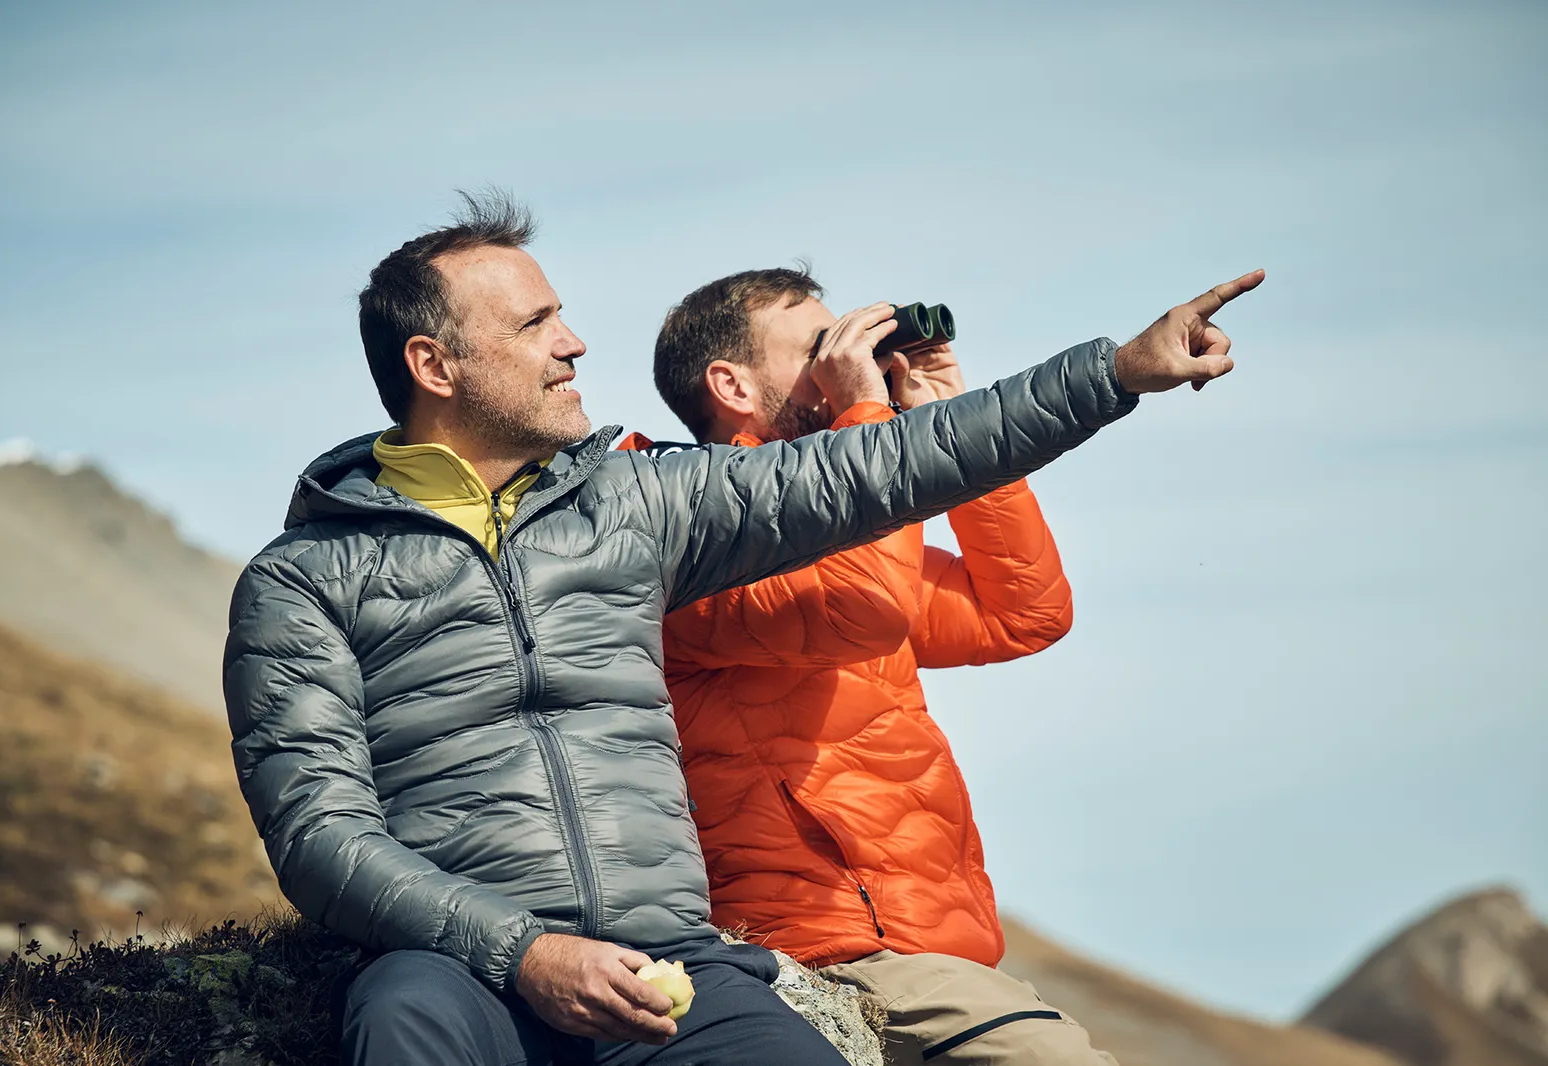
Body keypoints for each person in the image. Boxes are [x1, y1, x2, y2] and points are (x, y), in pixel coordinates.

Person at [222, 189, 1262, 1066]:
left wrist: (1115, 372)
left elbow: (896, 472)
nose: (575, 342)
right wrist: (526, 953)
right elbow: (319, 835)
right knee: (402, 1023)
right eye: (536, 324)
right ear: (435, 366)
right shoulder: (301, 579)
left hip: (668, 957)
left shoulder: (632, 504)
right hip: (457, 970)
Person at [637, 267, 1122, 1064]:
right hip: (833, 947)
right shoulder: (690, 542)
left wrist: (943, 423)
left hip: (933, 948)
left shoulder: (854, 547)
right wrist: (873, 423)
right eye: (818, 350)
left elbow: (1022, 614)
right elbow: (858, 609)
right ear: (731, 384)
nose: (843, 362)